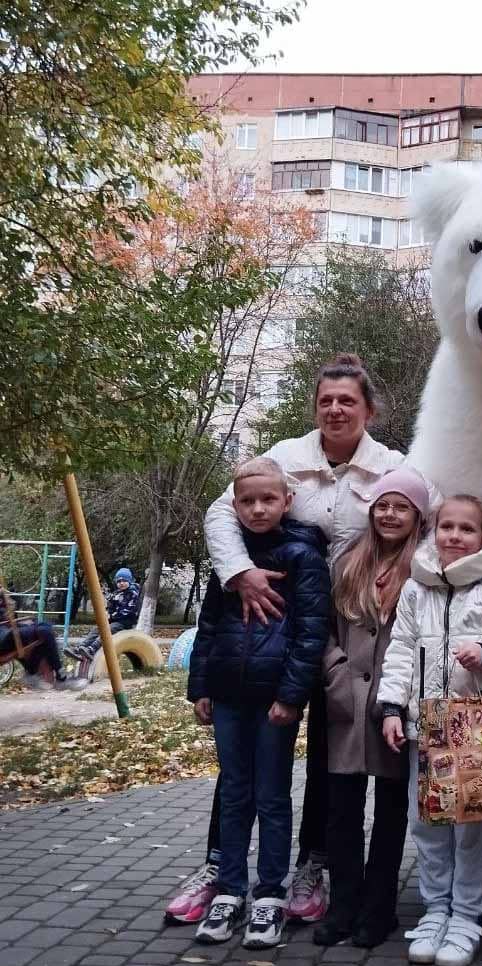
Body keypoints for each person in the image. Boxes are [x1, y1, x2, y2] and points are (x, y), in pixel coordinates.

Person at [165, 353, 434, 926]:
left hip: (347, 633)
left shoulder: (390, 465)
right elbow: (222, 511)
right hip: (273, 628)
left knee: (328, 756)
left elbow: (419, 516)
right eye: (326, 400)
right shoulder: (286, 457)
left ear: (369, 410)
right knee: (244, 758)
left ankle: (313, 865)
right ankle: (219, 865)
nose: (335, 409)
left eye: (348, 401)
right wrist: (239, 572)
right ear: (315, 406)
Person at [187, 457, 330, 948]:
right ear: (234, 504)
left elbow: (311, 632)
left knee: (271, 796)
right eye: (246, 500)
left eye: (268, 499)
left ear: (287, 501)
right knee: (233, 792)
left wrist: (291, 696)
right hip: (228, 693)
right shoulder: (230, 561)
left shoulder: (302, 556)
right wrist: (201, 686)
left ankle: (269, 895)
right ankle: (230, 890)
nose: (257, 508)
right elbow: (209, 627)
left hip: (274, 700)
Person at [378, 494, 482, 966]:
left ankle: (465, 916)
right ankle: (436, 909)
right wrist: (392, 707)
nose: (455, 537)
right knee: (430, 824)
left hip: (477, 721)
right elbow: (400, 649)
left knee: (473, 829)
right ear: (433, 532)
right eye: (447, 528)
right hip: (428, 721)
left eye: (467, 530)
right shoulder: (417, 589)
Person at [314, 469, 429, 950]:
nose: (389, 514)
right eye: (383, 505)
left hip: (393, 705)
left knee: (389, 811)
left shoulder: (424, 566)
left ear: (417, 514)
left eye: (401, 506)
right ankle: (343, 902)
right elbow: (321, 627)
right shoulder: (348, 562)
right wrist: (335, 669)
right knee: (341, 809)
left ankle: (378, 907)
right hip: (345, 702)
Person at [0, 590, 86, 692]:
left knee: (43, 629)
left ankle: (33, 673)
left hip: (7, 631)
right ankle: (60, 678)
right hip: (4, 636)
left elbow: (9, 618)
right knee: (43, 631)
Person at [65, 568, 140, 660]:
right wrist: (107, 613)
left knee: (108, 629)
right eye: (119, 581)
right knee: (98, 629)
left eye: (124, 581)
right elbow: (110, 607)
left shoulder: (132, 593)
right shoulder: (116, 594)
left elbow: (127, 611)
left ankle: (92, 649)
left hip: (125, 622)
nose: (121, 583)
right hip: (114, 620)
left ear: (129, 581)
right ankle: (80, 648)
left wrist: (111, 616)